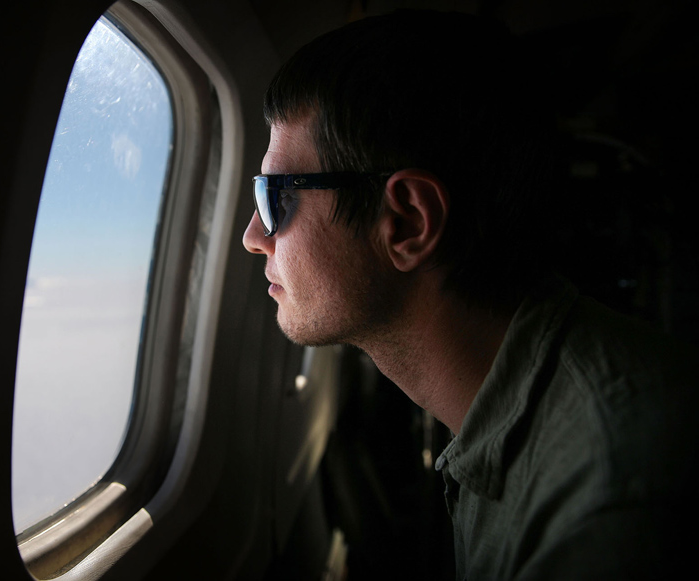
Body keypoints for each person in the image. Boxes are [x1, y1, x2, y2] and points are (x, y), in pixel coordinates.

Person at [242, 9, 697, 580]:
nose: (253, 236)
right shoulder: (506, 413)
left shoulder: (610, 510)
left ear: (407, 221)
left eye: (276, 197)